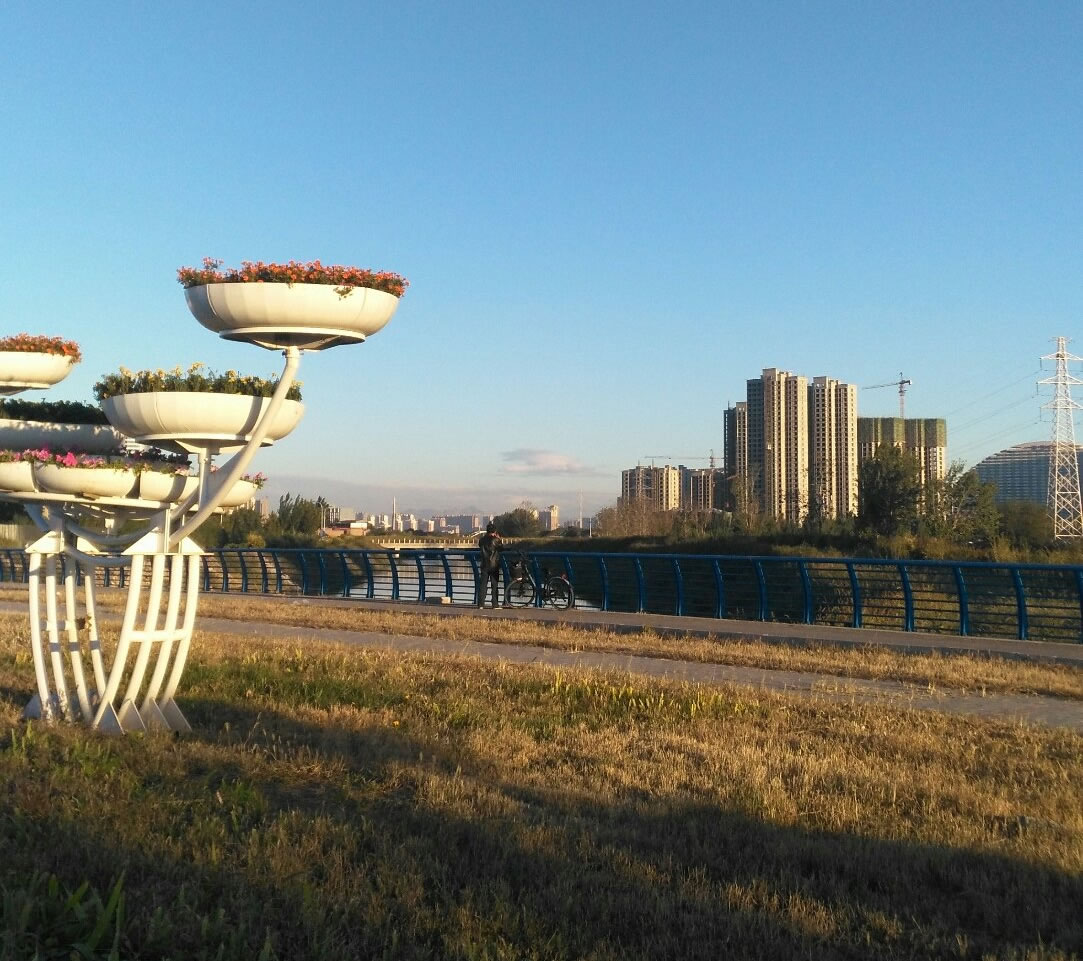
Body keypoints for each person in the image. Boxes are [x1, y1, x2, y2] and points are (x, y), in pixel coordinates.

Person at [476, 522, 503, 608]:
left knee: (483, 585)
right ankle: (495, 604)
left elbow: (480, 545)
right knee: (494, 585)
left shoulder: (482, 540)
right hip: (494, 565)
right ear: (495, 531)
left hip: (484, 564)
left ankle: (481, 604)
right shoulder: (496, 540)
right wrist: (499, 539)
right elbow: (501, 548)